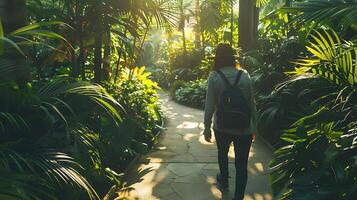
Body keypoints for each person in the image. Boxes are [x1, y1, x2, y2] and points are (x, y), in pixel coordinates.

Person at [203, 43, 257, 200]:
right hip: (244, 127)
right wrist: (254, 127)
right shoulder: (245, 75)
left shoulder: (214, 76)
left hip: (222, 127)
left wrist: (207, 128)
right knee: (242, 164)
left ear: (217, 59)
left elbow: (209, 105)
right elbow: (251, 104)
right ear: (233, 57)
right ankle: (238, 196)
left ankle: (224, 180)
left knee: (222, 153)